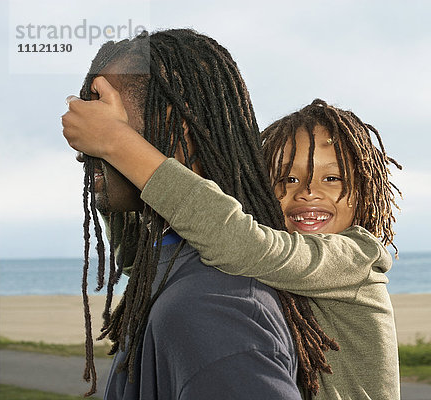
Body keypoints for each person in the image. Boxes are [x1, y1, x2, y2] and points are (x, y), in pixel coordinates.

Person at [65, 89, 403, 397]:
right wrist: (112, 182)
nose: (308, 192)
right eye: (287, 178)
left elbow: (239, 241)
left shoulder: (356, 257)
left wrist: (117, 143)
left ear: (365, 195)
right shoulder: (278, 259)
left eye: (332, 179)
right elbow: (148, 261)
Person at [62, 29, 338, 399]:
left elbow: (235, 236)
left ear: (181, 124)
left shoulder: (214, 308)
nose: (81, 141)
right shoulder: (171, 268)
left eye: (103, 119)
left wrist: (115, 143)